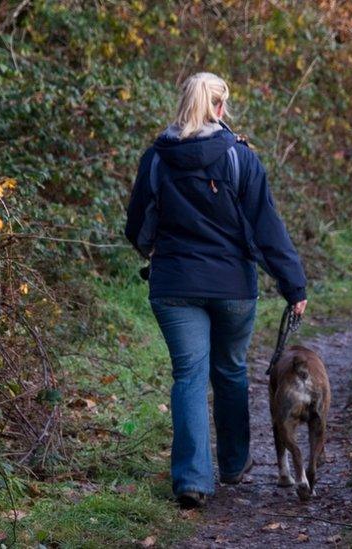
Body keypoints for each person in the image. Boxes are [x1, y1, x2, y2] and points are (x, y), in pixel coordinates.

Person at [125, 72, 308, 509]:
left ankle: (191, 480)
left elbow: (137, 227)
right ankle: (233, 464)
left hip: (173, 285)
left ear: (182, 103)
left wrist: (156, 249)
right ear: (220, 107)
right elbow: (267, 227)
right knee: (230, 369)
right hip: (232, 288)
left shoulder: (156, 157)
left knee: (188, 375)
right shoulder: (241, 157)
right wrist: (293, 284)